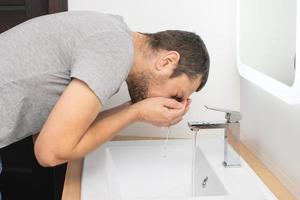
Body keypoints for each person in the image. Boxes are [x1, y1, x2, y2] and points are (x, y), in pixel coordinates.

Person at [0, 11, 209, 168]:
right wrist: (137, 112)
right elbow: (50, 152)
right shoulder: (114, 50)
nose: (174, 103)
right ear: (166, 62)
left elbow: (50, 134)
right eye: (177, 95)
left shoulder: (113, 35)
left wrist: (134, 109)